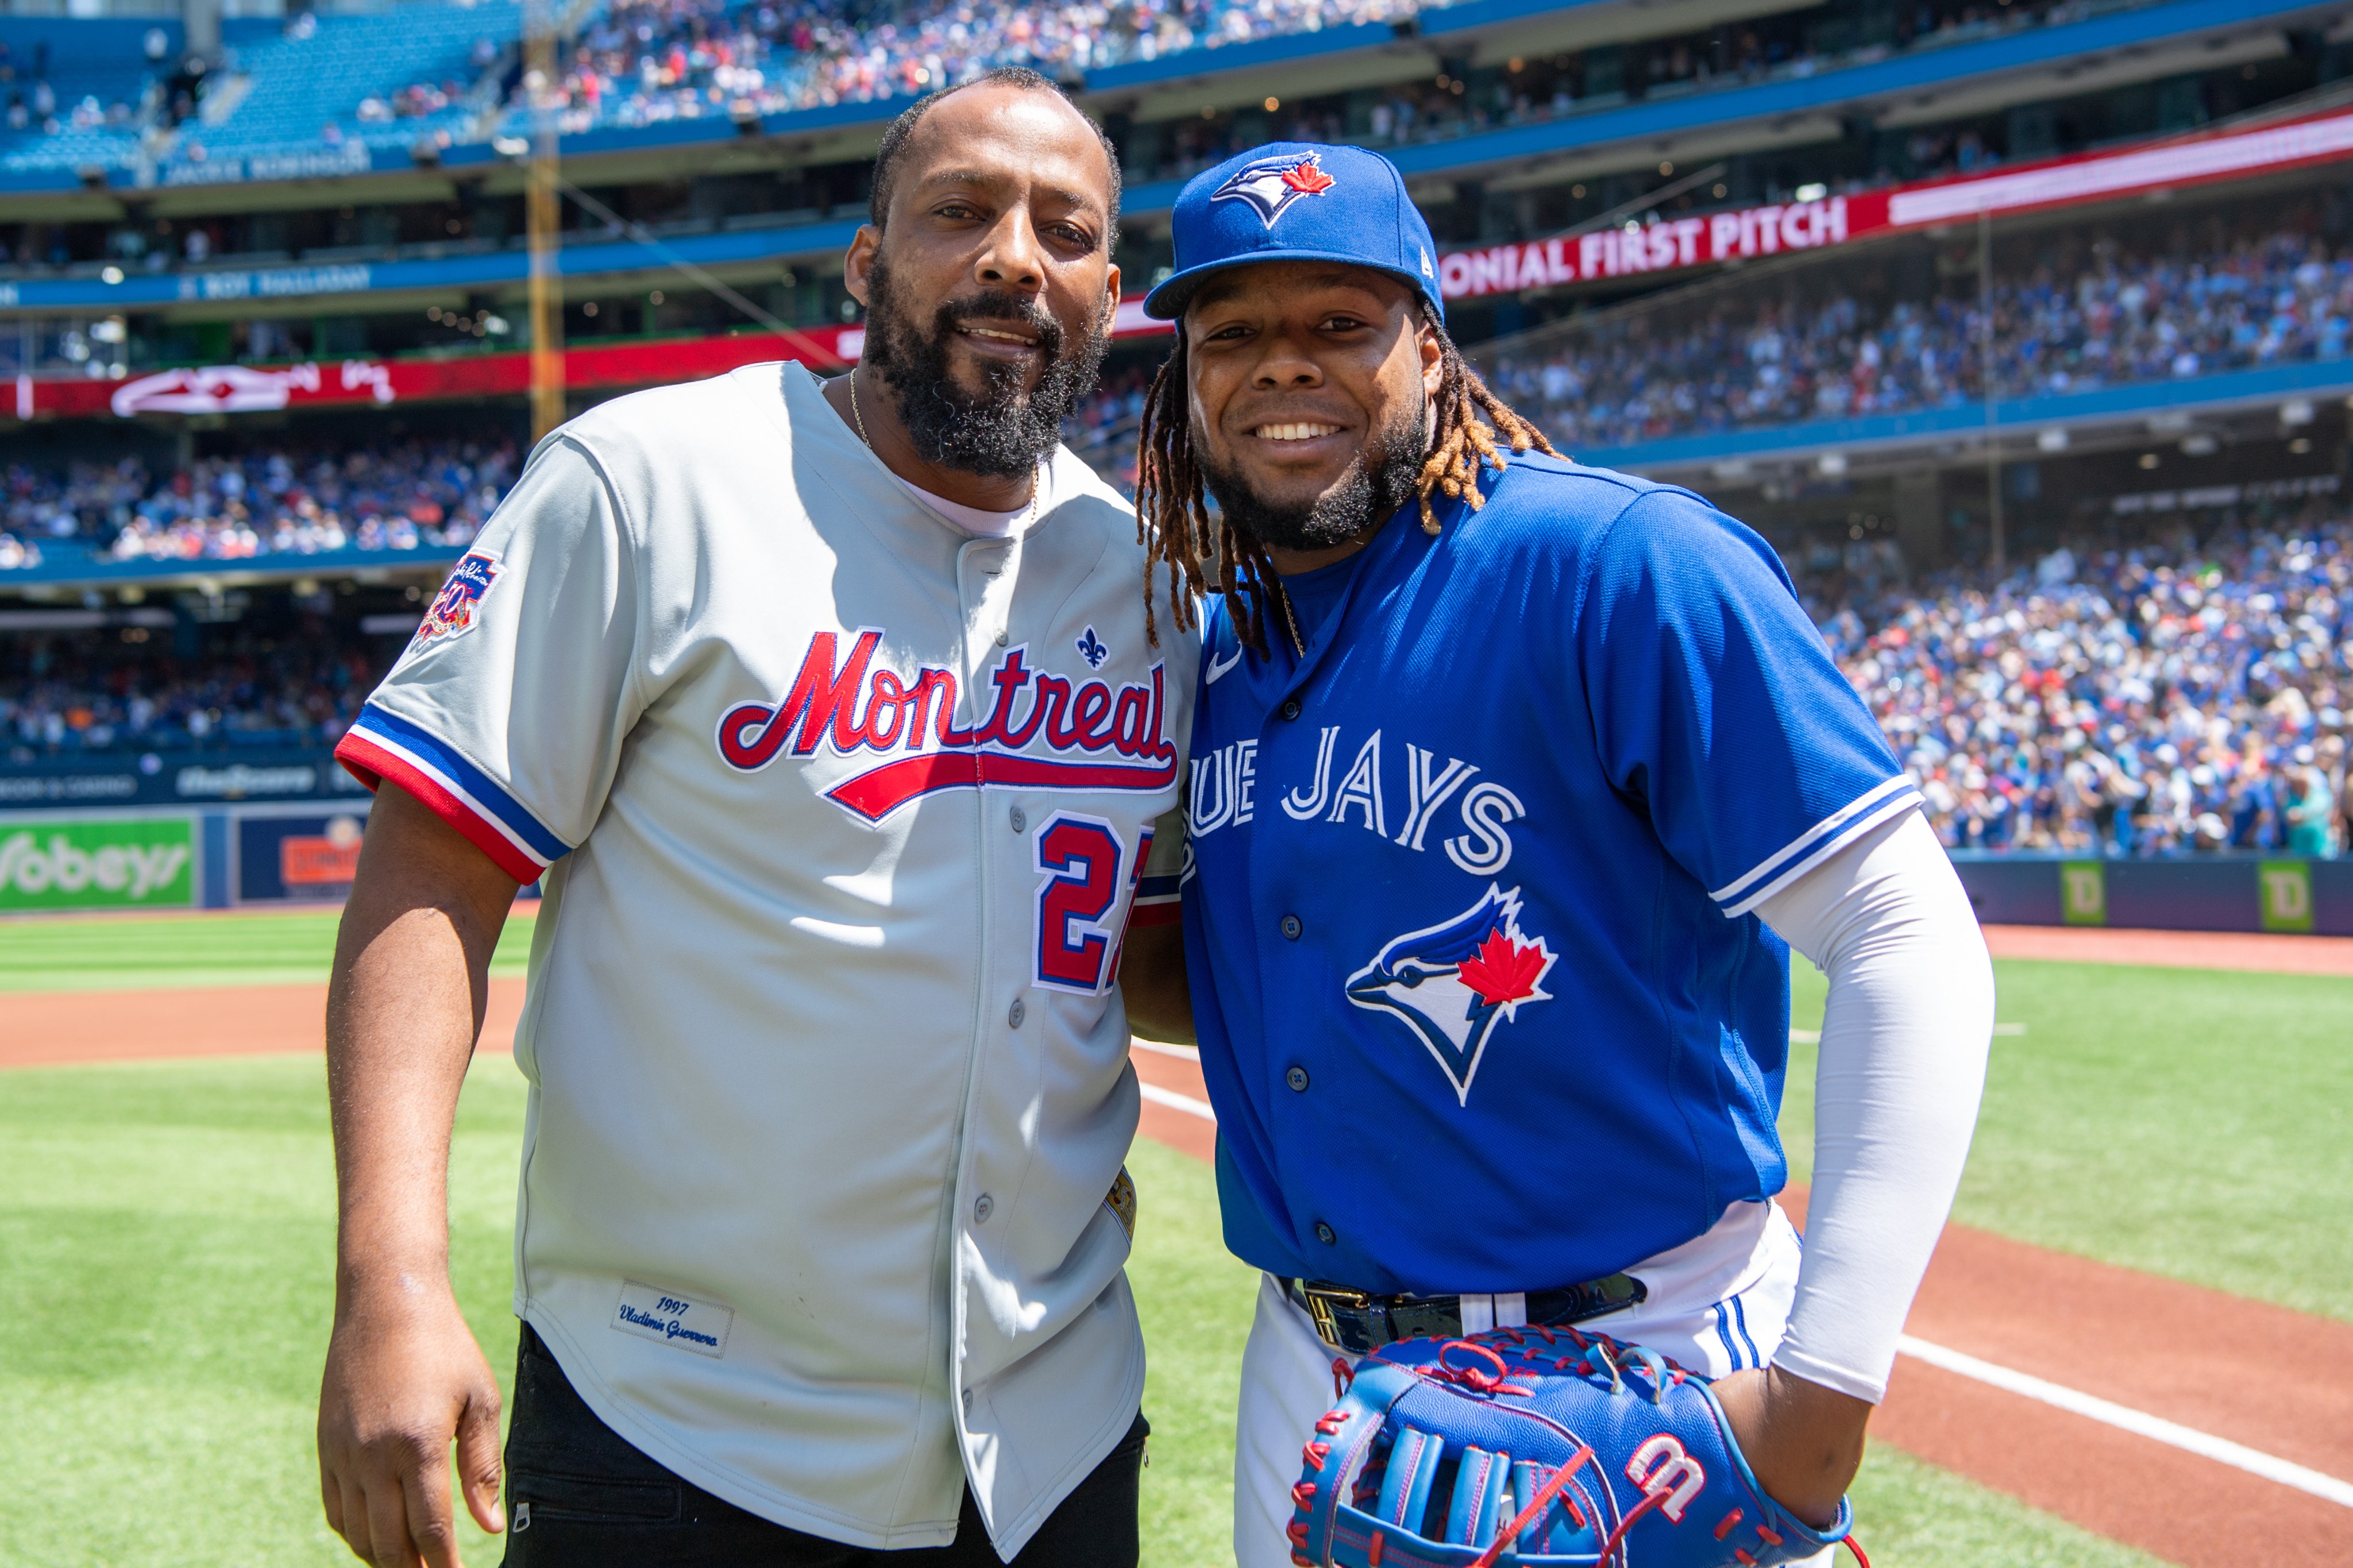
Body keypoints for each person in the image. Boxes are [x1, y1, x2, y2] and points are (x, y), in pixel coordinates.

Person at [313, 68, 1195, 1568]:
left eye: (1064, 228)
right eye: (960, 213)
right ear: (866, 264)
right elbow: (432, 875)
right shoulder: (652, 480)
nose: (1013, 257)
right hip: (680, 1419)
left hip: (1053, 1434)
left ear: (1110, 293)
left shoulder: (1142, 575)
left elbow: (1143, 954)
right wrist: (390, 1281)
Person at [1129, 142, 1996, 1567]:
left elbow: (1904, 935)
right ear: (1184, 384)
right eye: (1232, 335)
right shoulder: (1211, 653)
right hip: (1312, 1368)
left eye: (1338, 325)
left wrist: (1817, 1400)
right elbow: (1204, 981)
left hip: (1637, 1366)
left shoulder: (1614, 564)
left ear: (1429, 345)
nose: (1283, 367)